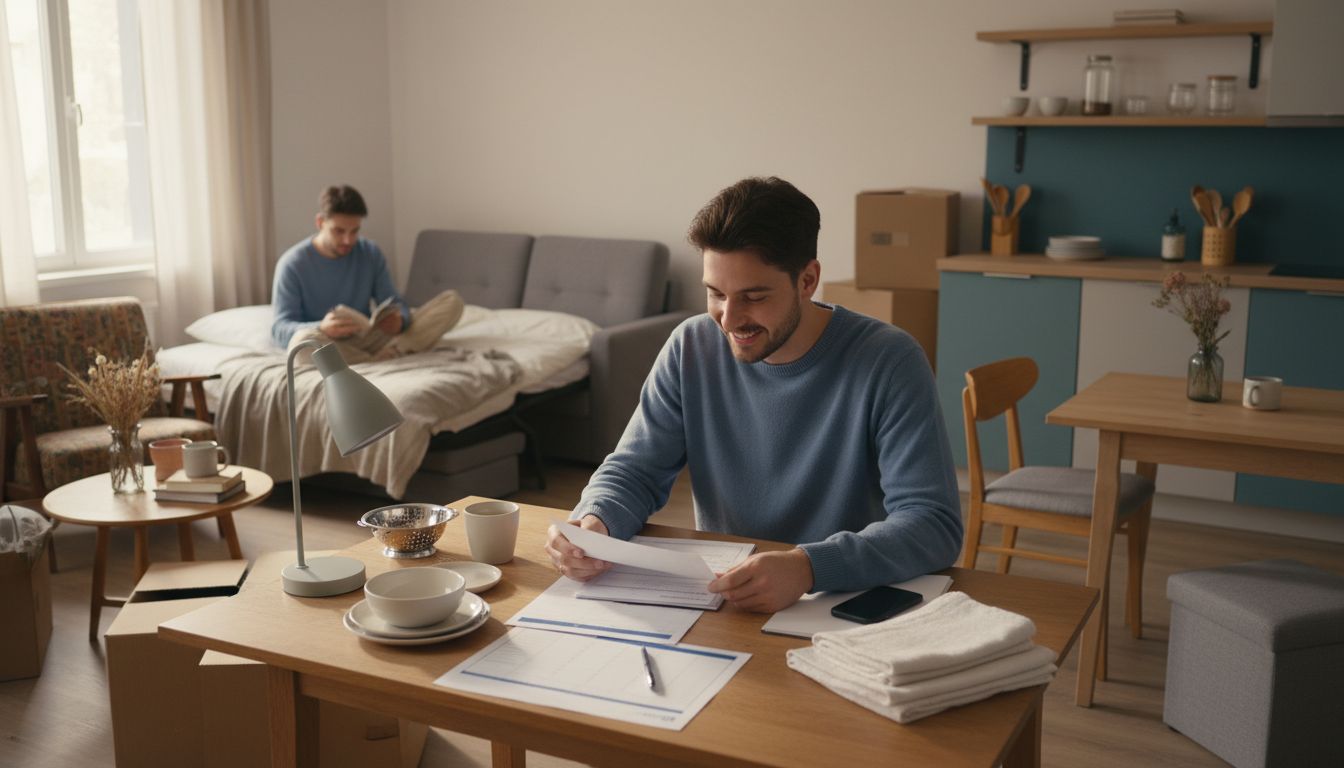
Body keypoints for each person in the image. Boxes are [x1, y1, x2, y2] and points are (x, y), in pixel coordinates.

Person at [544, 176, 963, 613]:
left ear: (807, 280)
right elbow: (635, 470)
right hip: (728, 600)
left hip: (841, 604)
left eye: (754, 296)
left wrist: (809, 567)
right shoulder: (691, 346)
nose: (728, 319)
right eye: (715, 294)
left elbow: (932, 524)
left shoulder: (889, 360)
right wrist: (595, 522)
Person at [271, 184, 462, 362]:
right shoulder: (292, 264)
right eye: (339, 231)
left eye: (354, 231)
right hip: (329, 342)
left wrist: (400, 319)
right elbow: (279, 329)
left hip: (369, 338)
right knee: (302, 344)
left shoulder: (370, 253)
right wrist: (322, 327)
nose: (348, 240)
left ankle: (387, 351)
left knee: (452, 301)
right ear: (320, 222)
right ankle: (381, 357)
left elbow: (394, 302)